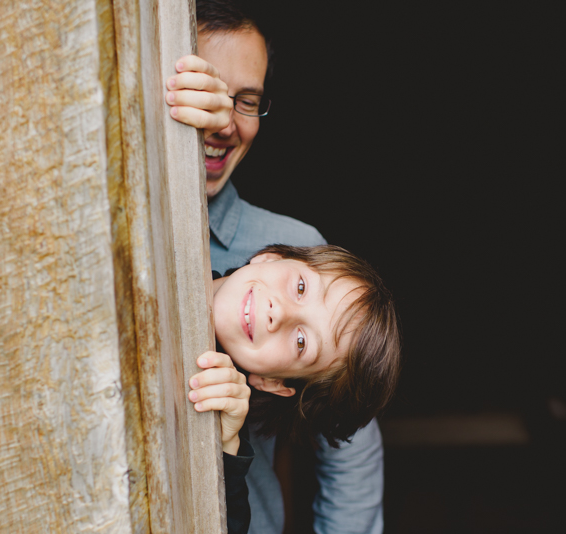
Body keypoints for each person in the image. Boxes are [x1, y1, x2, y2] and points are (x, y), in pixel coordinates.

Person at [165, 1, 390, 532]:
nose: (224, 122)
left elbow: (350, 450)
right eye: (209, 91)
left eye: (247, 102)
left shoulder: (294, 251)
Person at [190, 245, 400, 532]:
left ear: (274, 383)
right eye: (300, 287)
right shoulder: (174, 240)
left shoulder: (229, 423)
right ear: (271, 256)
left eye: (301, 342)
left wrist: (226, 448)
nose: (282, 312)